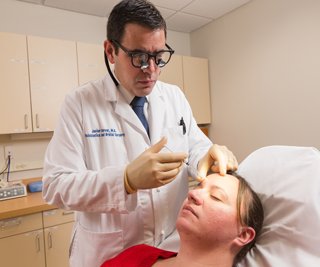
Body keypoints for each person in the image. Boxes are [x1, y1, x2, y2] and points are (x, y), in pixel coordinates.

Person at [42, 1, 238, 266]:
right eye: (139, 57)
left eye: (159, 57)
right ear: (111, 51)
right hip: (109, 252)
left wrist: (209, 155)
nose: (152, 70)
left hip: (169, 248)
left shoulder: (174, 97)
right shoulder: (79, 103)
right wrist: (125, 180)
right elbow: (55, 186)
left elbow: (194, 148)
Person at [100, 172, 264, 267]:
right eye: (197, 187)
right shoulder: (138, 254)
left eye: (216, 197)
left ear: (242, 235)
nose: (192, 194)